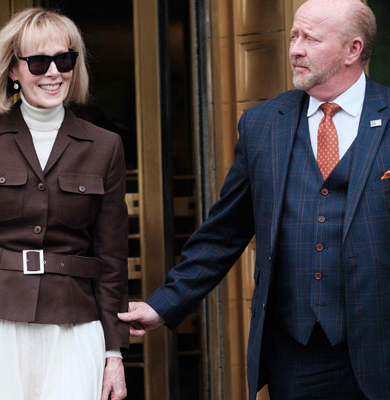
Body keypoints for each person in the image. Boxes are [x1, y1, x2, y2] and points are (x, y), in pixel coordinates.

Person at [118, 1, 387, 399]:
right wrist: (163, 304)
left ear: (353, 49)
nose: (295, 48)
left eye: (310, 39)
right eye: (294, 36)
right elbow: (224, 232)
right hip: (295, 355)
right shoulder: (263, 125)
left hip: (382, 346)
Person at [0, 8, 129, 400]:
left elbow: (112, 260)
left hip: (72, 323)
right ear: (13, 70)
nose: (53, 72)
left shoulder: (106, 147)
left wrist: (113, 352)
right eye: (38, 62)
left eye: (64, 59)